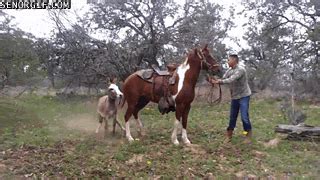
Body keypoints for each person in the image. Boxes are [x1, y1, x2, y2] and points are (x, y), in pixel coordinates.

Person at [208, 54, 252, 143]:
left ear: (234, 61)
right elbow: (224, 78)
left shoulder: (240, 70)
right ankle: (229, 136)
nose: (227, 62)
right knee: (232, 117)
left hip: (244, 96)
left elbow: (231, 79)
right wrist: (214, 78)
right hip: (235, 97)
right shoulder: (229, 70)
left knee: (244, 117)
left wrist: (218, 81)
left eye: (228, 60)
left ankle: (247, 135)